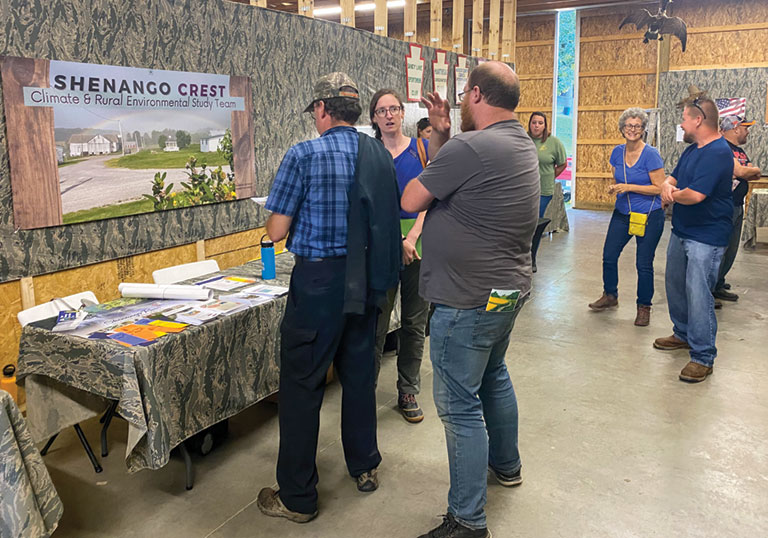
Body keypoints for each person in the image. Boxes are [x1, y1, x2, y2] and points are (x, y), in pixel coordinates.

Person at [402, 61, 539, 538]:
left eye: (463, 95)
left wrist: (442, 139)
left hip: (466, 301)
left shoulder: (472, 146)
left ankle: (467, 520)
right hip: (505, 294)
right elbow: (458, 179)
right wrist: (440, 132)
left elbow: (413, 198)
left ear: (476, 94)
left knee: (459, 405)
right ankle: (507, 465)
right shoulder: (518, 142)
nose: (458, 102)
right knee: (494, 375)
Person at [257, 72, 401, 523]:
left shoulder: (302, 154)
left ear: (321, 109)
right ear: (357, 111)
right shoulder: (377, 153)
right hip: (368, 280)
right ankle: (365, 466)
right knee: (359, 374)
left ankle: (298, 497)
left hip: (318, 284)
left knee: (302, 386)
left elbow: (276, 231)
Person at [653, 95, 734, 383]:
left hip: (707, 235)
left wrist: (669, 195)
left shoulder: (718, 152)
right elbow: (675, 176)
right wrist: (666, 184)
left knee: (699, 294)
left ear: (698, 120)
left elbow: (696, 195)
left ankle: (702, 356)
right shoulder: (693, 149)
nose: (681, 123)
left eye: (685, 119)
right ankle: (683, 334)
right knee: (675, 285)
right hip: (683, 230)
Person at [369, 89, 430, 423]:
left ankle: (408, 389)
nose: (389, 115)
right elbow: (367, 204)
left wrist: (412, 237)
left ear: (402, 112)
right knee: (376, 322)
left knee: (414, 323)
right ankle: (366, 387)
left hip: (418, 246)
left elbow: (430, 196)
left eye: (394, 109)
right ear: (374, 117)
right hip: (381, 245)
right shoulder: (368, 153)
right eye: (382, 110)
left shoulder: (421, 149)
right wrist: (396, 240)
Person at [588, 108, 665, 326]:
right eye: (629, 126)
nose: (632, 129)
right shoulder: (617, 153)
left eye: (637, 126)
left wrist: (628, 187)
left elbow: (659, 188)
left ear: (643, 129)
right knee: (609, 255)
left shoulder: (651, 154)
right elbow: (619, 176)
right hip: (622, 213)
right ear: (622, 128)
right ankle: (610, 295)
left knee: (644, 264)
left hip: (649, 215)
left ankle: (644, 307)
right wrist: (616, 188)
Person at [712, 115, 761, 303]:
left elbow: (752, 174)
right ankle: (708, 289)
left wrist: (749, 170)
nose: (747, 131)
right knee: (719, 249)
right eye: (745, 128)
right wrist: (749, 170)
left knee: (731, 249)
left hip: (737, 205)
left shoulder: (738, 151)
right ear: (734, 129)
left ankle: (718, 283)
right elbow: (741, 172)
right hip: (722, 206)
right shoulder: (720, 148)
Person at [528, 111, 567, 217]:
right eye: (534, 122)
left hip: (544, 189)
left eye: (540, 123)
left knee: (536, 218)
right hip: (525, 189)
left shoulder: (554, 142)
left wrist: (550, 175)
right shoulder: (523, 140)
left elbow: (563, 164)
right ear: (529, 124)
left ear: (545, 126)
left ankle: (536, 234)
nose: (536, 126)